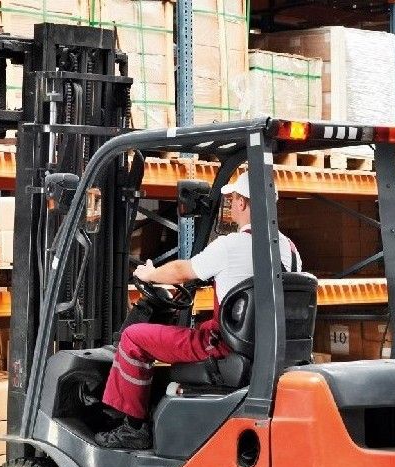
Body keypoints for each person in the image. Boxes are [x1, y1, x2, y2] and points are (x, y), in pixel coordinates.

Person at [95, 172, 302, 449]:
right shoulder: (291, 250)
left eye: (233, 200)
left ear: (241, 203)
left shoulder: (231, 245)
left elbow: (183, 270)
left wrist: (150, 273)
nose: (231, 205)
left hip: (221, 347)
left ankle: (132, 428)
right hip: (267, 350)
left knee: (133, 337)